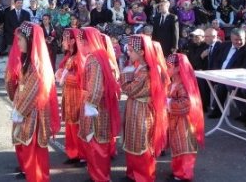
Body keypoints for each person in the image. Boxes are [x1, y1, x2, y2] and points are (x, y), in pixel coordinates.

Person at [4, 22, 60, 182]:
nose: (18, 43)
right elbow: (20, 88)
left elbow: (33, 91)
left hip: (33, 115)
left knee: (34, 153)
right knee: (30, 153)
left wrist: (19, 111)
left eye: (21, 39)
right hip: (26, 113)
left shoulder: (36, 65)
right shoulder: (28, 61)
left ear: (29, 40)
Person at [121, 34, 167, 182]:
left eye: (131, 50)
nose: (129, 53)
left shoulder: (146, 71)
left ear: (141, 52)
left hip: (141, 110)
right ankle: (134, 173)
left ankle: (144, 176)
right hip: (135, 108)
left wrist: (124, 75)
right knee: (133, 141)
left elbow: (129, 90)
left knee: (141, 142)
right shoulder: (140, 67)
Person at [77, 27, 121, 182]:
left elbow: (96, 86)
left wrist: (90, 103)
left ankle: (100, 177)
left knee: (97, 144)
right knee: (96, 143)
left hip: (96, 109)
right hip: (97, 107)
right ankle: (97, 175)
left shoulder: (94, 59)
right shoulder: (99, 57)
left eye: (82, 41)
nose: (80, 44)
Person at [166, 53, 205, 182]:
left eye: (169, 66)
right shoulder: (174, 83)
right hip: (175, 120)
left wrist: (167, 102)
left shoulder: (184, 85)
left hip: (185, 122)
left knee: (185, 148)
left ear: (178, 68)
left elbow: (186, 104)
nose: (167, 69)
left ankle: (185, 174)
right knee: (177, 146)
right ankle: (178, 171)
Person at [55, 28, 86, 165]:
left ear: (73, 41)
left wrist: (64, 77)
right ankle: (73, 152)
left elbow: (82, 78)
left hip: (77, 96)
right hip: (69, 94)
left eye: (65, 39)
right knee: (69, 124)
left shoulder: (79, 57)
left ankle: (82, 154)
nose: (62, 42)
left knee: (77, 125)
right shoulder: (69, 56)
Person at [208, 28, 246, 119]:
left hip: (234, 77)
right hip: (219, 73)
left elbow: (244, 67)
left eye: (241, 39)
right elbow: (217, 60)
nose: (238, 42)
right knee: (203, 80)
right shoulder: (225, 45)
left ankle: (217, 110)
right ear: (231, 38)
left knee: (224, 84)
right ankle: (208, 106)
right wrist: (215, 72)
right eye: (236, 39)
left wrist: (227, 75)